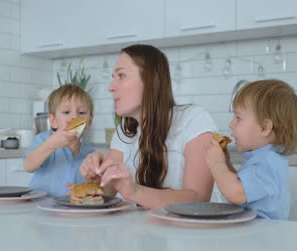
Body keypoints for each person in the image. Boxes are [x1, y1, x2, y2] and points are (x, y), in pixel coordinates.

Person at [76, 44, 217, 209]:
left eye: (121, 75)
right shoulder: (124, 131)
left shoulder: (194, 119)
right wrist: (96, 179)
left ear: (149, 80)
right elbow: (106, 193)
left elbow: (198, 199)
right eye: (113, 77)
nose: (111, 87)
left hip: (191, 233)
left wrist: (134, 191)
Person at [205, 80, 297, 219]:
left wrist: (218, 165)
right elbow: (241, 185)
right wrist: (226, 163)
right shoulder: (263, 159)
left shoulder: (268, 162)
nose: (231, 124)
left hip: (265, 236)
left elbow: (236, 194)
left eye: (238, 118)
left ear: (264, 128)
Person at [24, 83, 94, 197]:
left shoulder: (90, 154)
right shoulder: (45, 139)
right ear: (53, 121)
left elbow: (93, 186)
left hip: (69, 210)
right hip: (38, 207)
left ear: (89, 122)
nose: (74, 117)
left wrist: (85, 190)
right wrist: (51, 145)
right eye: (66, 112)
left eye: (81, 113)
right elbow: (28, 166)